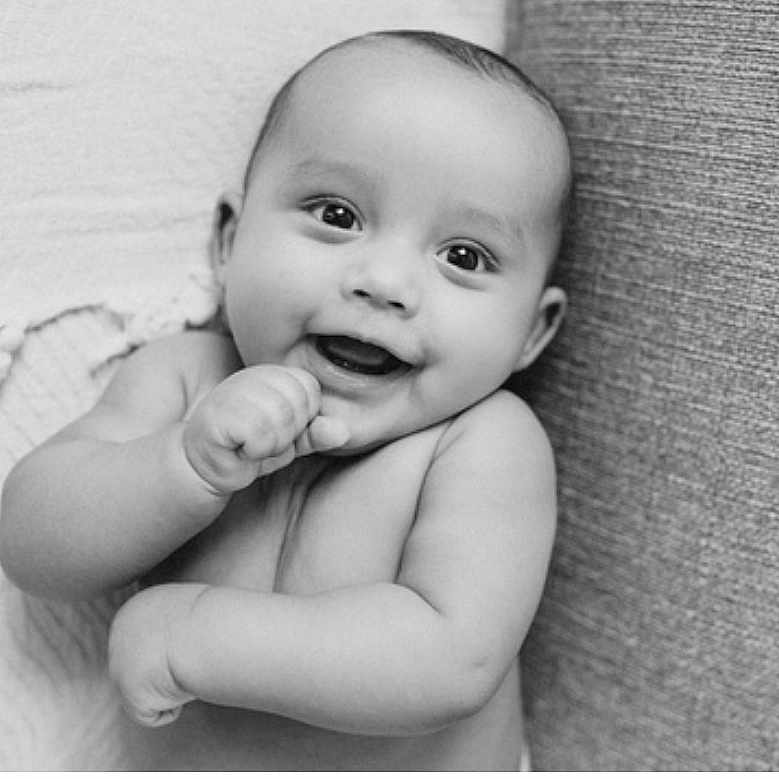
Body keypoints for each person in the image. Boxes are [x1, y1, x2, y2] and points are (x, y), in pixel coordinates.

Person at [0, 30, 571, 770]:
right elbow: (33, 546)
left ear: (531, 329)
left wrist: (196, 633)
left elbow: (449, 657)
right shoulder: (184, 380)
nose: (384, 282)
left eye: (463, 257)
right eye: (336, 214)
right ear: (230, 241)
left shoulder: (482, 443)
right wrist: (180, 466)